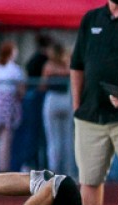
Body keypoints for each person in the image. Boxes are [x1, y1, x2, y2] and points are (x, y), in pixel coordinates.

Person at [70, 0, 118, 205]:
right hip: (90, 114)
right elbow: (77, 64)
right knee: (89, 179)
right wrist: (77, 105)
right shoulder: (91, 18)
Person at [11, 34, 53, 172]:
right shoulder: (44, 60)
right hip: (38, 98)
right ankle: (34, 163)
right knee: (38, 133)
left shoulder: (33, 59)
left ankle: (32, 163)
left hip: (32, 97)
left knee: (34, 132)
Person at [40, 42, 75, 176]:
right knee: (67, 139)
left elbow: (42, 85)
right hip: (66, 99)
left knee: (53, 139)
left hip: (53, 99)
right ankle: (69, 171)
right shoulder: (68, 64)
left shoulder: (49, 66)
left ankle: (54, 171)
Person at [0, 41, 26, 172]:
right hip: (9, 102)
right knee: (6, 138)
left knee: (1, 138)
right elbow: (21, 88)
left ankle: (2, 166)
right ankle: (3, 168)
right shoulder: (14, 68)